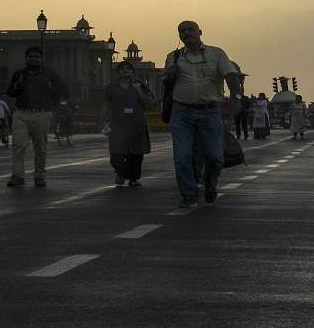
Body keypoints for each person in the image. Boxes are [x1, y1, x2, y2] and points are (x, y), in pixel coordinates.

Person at [163, 20, 243, 208]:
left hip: (210, 111)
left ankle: (210, 182)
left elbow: (231, 77)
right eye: (182, 31)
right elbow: (166, 83)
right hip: (182, 111)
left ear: (200, 32)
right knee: (182, 157)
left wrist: (237, 97)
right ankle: (189, 193)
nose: (186, 33)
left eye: (190, 29)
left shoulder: (216, 54)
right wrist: (170, 75)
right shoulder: (174, 57)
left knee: (215, 157)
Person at [5, 46, 69, 188]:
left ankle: (39, 175)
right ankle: (17, 176)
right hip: (21, 113)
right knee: (18, 145)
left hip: (42, 113)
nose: (33, 59)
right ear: (26, 59)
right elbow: (10, 92)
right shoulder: (19, 74)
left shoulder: (50, 74)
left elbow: (64, 91)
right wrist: (18, 87)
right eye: (31, 57)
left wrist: (51, 89)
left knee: (40, 147)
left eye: (36, 57)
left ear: (41, 59)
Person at [102, 62, 154, 187]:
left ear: (133, 72)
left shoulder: (140, 86)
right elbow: (106, 106)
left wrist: (138, 91)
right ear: (117, 72)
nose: (125, 71)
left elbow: (149, 103)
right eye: (122, 69)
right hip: (118, 125)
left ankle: (133, 179)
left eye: (128, 69)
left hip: (137, 124)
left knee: (136, 154)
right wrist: (104, 121)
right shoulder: (111, 88)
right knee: (117, 154)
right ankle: (120, 172)